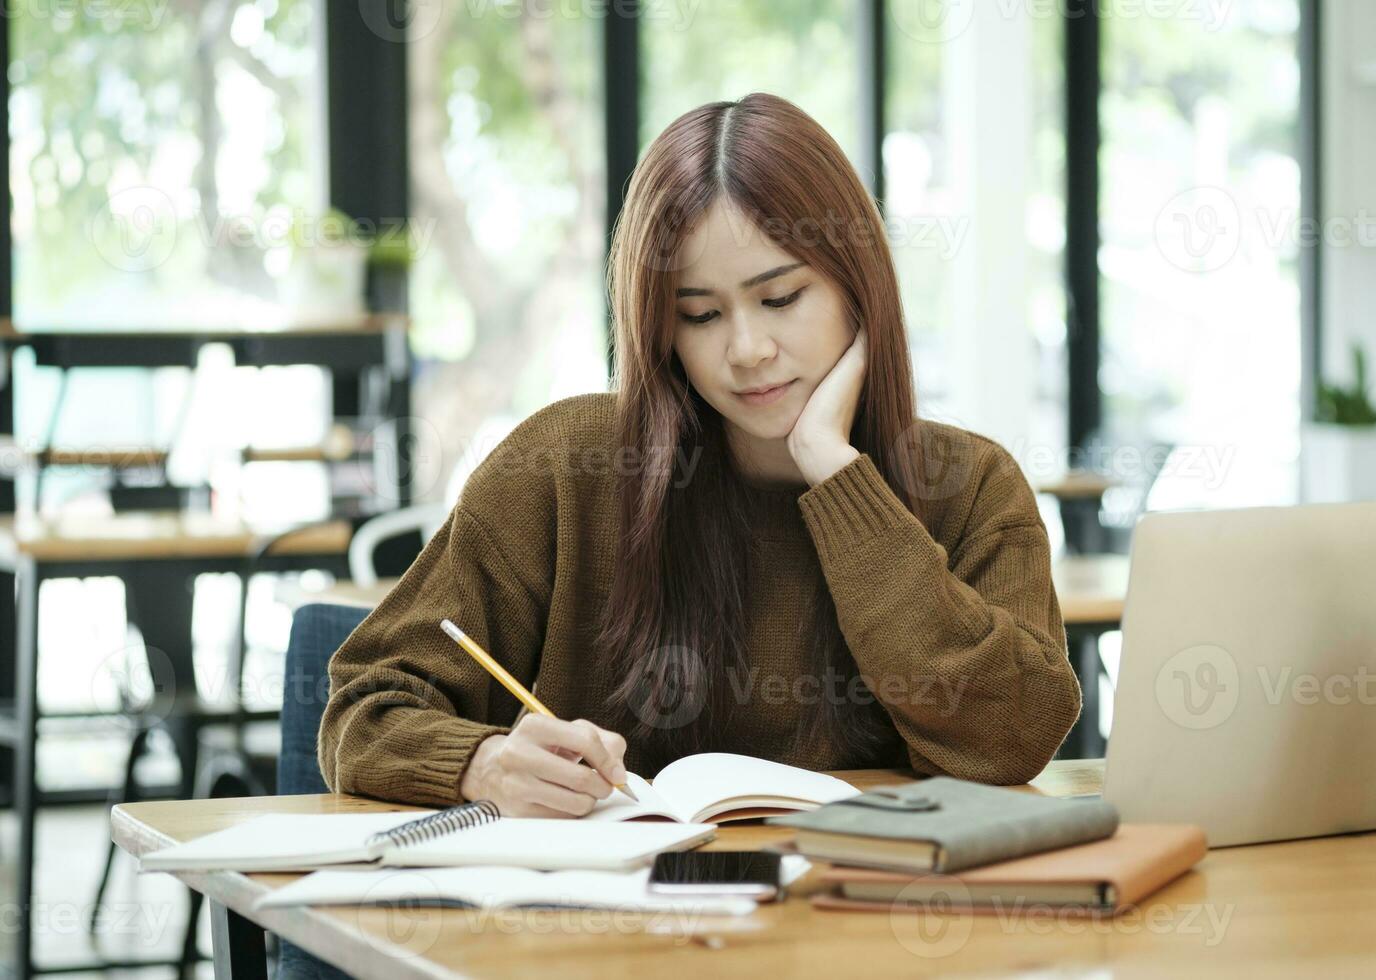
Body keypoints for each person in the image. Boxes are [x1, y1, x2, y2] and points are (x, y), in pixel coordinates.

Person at [317, 93, 1081, 818]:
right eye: (700, 314)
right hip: (609, 937)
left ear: (861, 289)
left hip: (866, 926)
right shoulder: (563, 468)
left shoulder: (969, 486)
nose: (747, 350)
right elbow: (365, 706)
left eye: (781, 299)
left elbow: (1009, 740)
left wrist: (839, 475)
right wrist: (481, 763)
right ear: (660, 330)